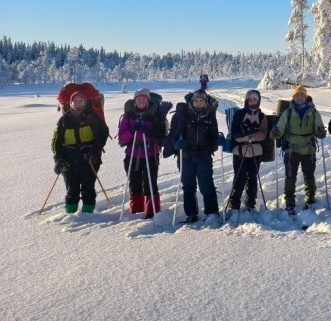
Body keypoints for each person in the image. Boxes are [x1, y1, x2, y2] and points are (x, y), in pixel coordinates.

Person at [270, 85, 326, 214]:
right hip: (291, 149)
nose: (299, 97)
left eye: (302, 95)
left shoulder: (313, 111)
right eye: (297, 95)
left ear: (305, 97)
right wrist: (276, 132)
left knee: (309, 175)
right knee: (290, 176)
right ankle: (289, 202)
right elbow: (281, 126)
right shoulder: (288, 112)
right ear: (293, 97)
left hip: (308, 149)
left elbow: (319, 124)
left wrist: (320, 131)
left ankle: (311, 199)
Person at [51, 90, 109, 213]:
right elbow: (56, 142)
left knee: (88, 188)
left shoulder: (92, 117)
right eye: (75, 100)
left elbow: (101, 136)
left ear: (85, 102)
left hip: (88, 158)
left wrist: (94, 152)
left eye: (81, 100)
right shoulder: (63, 120)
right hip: (69, 158)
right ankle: (70, 214)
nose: (78, 103)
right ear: (70, 103)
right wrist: (58, 159)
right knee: (71, 189)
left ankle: (88, 214)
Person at [118, 88, 167, 218]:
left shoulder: (155, 115)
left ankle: (152, 211)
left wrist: (150, 134)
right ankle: (136, 211)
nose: (141, 101)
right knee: (134, 183)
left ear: (148, 100)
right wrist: (133, 132)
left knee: (150, 183)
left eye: (144, 98)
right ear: (134, 100)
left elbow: (162, 136)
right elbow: (121, 137)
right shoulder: (128, 115)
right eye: (138, 98)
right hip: (132, 154)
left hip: (150, 154)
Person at [174, 90, 220, 224]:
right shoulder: (185, 116)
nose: (199, 103)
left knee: (206, 184)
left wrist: (216, 143)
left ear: (206, 102)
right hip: (186, 155)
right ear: (192, 102)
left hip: (204, 156)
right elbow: (176, 134)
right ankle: (191, 214)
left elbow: (214, 135)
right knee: (188, 186)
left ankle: (212, 212)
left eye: (201, 101)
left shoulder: (210, 116)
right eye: (196, 101)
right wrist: (177, 143)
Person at [228, 89, 268, 218]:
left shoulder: (262, 116)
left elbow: (263, 134)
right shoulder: (239, 114)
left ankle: (250, 204)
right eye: (250, 99)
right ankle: (234, 206)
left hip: (256, 152)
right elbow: (235, 134)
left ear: (258, 101)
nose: (252, 101)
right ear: (246, 100)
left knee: (252, 178)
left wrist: (247, 135)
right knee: (239, 178)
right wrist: (250, 136)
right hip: (240, 151)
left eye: (255, 99)